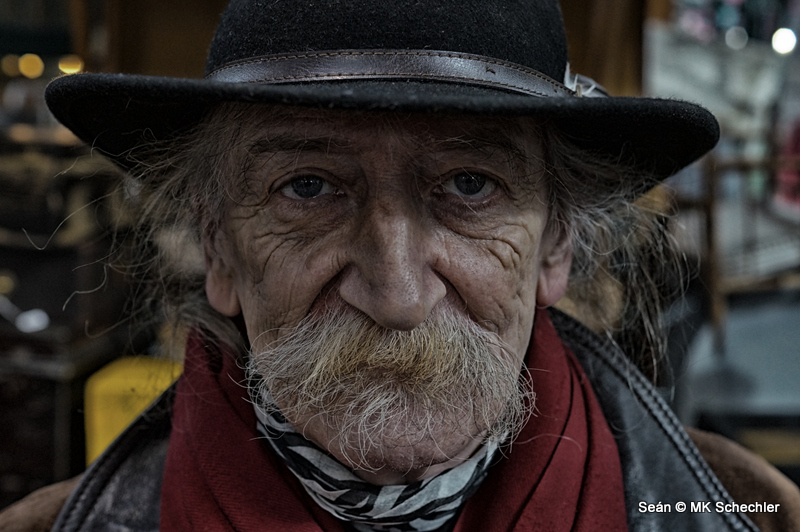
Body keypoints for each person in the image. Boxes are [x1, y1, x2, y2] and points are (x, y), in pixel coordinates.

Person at [3, 0, 800, 530]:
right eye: (307, 187)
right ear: (219, 248)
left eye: (469, 186)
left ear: (554, 245)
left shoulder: (747, 511)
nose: (397, 292)